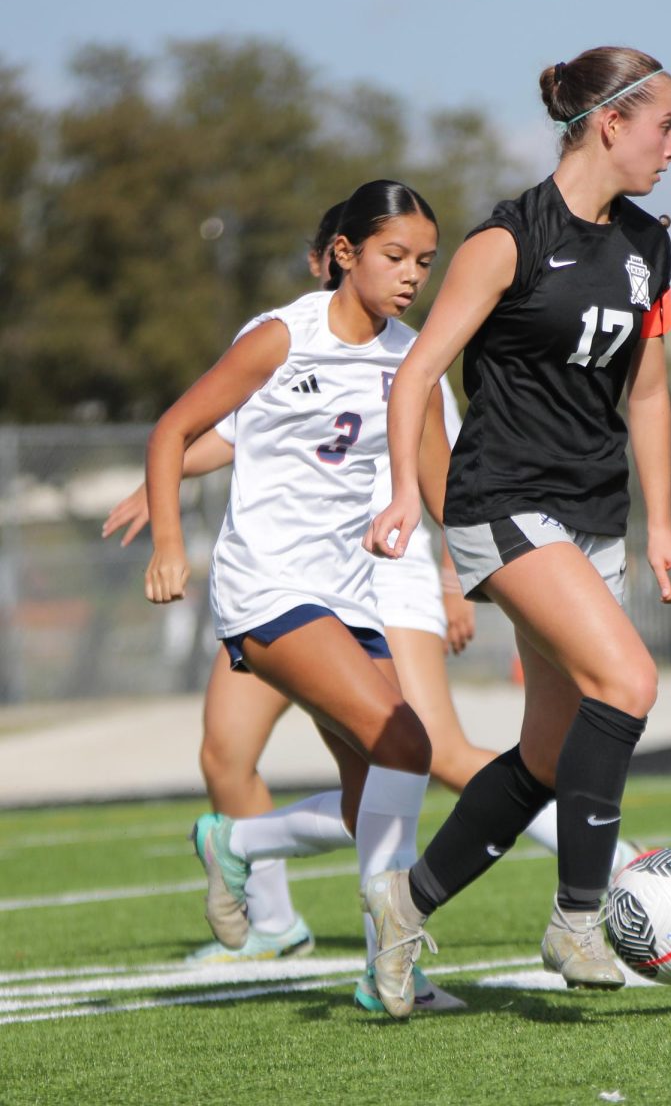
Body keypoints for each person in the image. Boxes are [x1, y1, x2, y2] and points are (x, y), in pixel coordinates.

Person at [357, 45, 671, 1018]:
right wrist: (397, 499)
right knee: (628, 682)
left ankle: (404, 899)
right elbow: (417, 373)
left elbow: (652, 389)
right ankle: (578, 917)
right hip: (500, 500)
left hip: (592, 514)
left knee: (549, 756)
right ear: (610, 124)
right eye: (665, 125)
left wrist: (664, 526)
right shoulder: (504, 241)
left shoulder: (651, 246)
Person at [143, 179, 448, 1021]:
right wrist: (170, 541)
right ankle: (396, 959)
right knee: (410, 744)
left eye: (425, 260)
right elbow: (173, 430)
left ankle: (235, 843)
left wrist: (498, 564)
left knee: (371, 804)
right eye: (395, 256)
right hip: (267, 588)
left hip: (351, 596)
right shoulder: (282, 336)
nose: (412, 274)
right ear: (345, 255)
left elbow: (439, 482)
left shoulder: (411, 354)